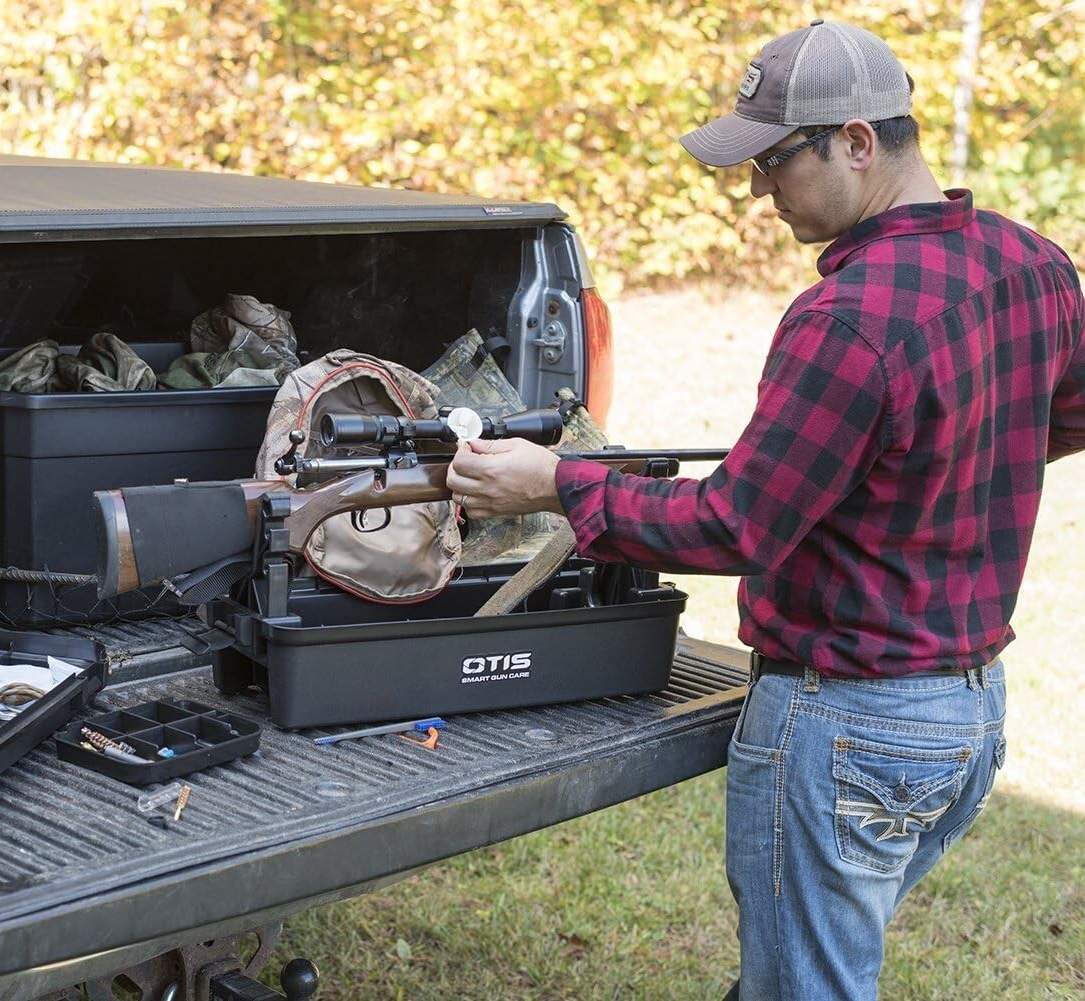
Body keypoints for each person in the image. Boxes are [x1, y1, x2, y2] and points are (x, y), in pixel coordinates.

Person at [445, 19, 1084, 1001]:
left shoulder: (848, 320)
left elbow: (734, 525)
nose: (756, 191)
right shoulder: (1033, 263)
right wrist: (925, 466)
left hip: (850, 722)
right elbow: (1060, 412)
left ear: (858, 141)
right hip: (967, 715)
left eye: (774, 162)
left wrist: (557, 483)